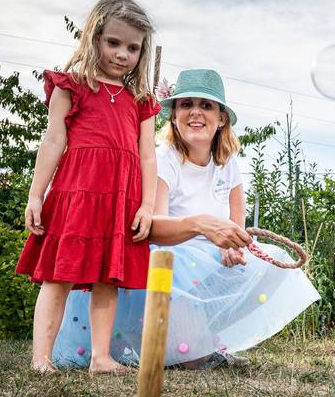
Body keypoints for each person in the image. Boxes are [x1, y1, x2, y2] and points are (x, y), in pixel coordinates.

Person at [51, 69, 320, 370]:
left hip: (208, 256)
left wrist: (233, 247)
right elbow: (153, 228)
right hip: (170, 255)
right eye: (186, 104)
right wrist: (200, 224)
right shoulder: (165, 161)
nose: (195, 112)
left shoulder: (228, 164)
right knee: (187, 306)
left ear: (221, 119)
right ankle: (183, 349)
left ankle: (205, 341)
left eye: (206, 106)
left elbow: (237, 226)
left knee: (271, 262)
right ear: (174, 116)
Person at [16, 0, 160, 374]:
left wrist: (146, 205)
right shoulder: (71, 86)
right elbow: (53, 141)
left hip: (119, 200)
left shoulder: (140, 100)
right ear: (94, 38)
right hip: (76, 194)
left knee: (106, 280)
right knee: (58, 276)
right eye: (113, 42)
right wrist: (36, 194)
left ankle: (101, 358)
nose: (122, 54)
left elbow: (148, 156)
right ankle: (40, 359)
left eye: (132, 47)